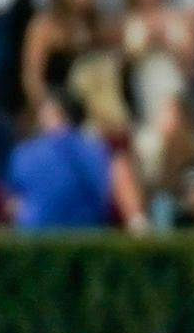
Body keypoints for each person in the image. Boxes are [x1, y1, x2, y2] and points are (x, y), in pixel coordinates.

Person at [6, 90, 115, 230]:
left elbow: (15, 199)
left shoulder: (25, 153)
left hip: (35, 238)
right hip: (88, 235)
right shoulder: (96, 150)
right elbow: (103, 194)